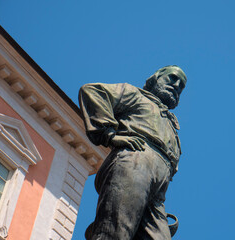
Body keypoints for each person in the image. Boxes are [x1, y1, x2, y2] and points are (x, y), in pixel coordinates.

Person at [78, 65, 187, 240]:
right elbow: (93, 91)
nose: (176, 85)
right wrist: (109, 135)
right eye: (172, 78)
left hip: (159, 187)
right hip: (135, 161)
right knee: (116, 231)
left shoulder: (171, 124)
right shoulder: (136, 95)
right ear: (155, 78)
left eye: (181, 85)